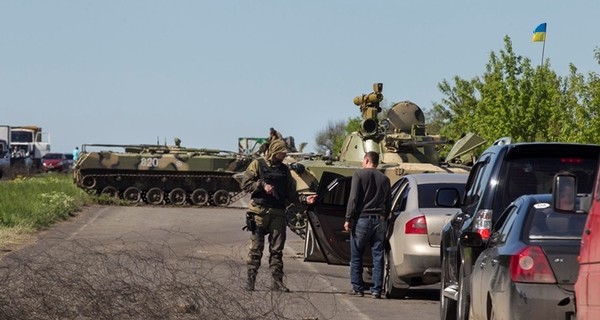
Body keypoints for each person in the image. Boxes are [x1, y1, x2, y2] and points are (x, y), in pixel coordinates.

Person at [241, 139, 316, 292]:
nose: (284, 156)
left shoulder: (284, 170)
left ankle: (277, 282)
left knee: (277, 250)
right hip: (259, 213)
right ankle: (251, 280)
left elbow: (291, 193)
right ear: (275, 151)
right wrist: (261, 185)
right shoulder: (258, 164)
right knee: (256, 249)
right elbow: (245, 184)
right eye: (282, 153)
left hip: (278, 213)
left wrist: (304, 199)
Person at [344, 151, 392, 299]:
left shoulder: (359, 175)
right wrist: (385, 215)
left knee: (356, 254)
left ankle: (358, 288)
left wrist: (348, 218)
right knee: (378, 256)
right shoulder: (385, 179)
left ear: (366, 160)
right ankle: (377, 290)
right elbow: (388, 202)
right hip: (379, 221)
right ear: (377, 163)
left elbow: (353, 198)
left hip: (362, 220)